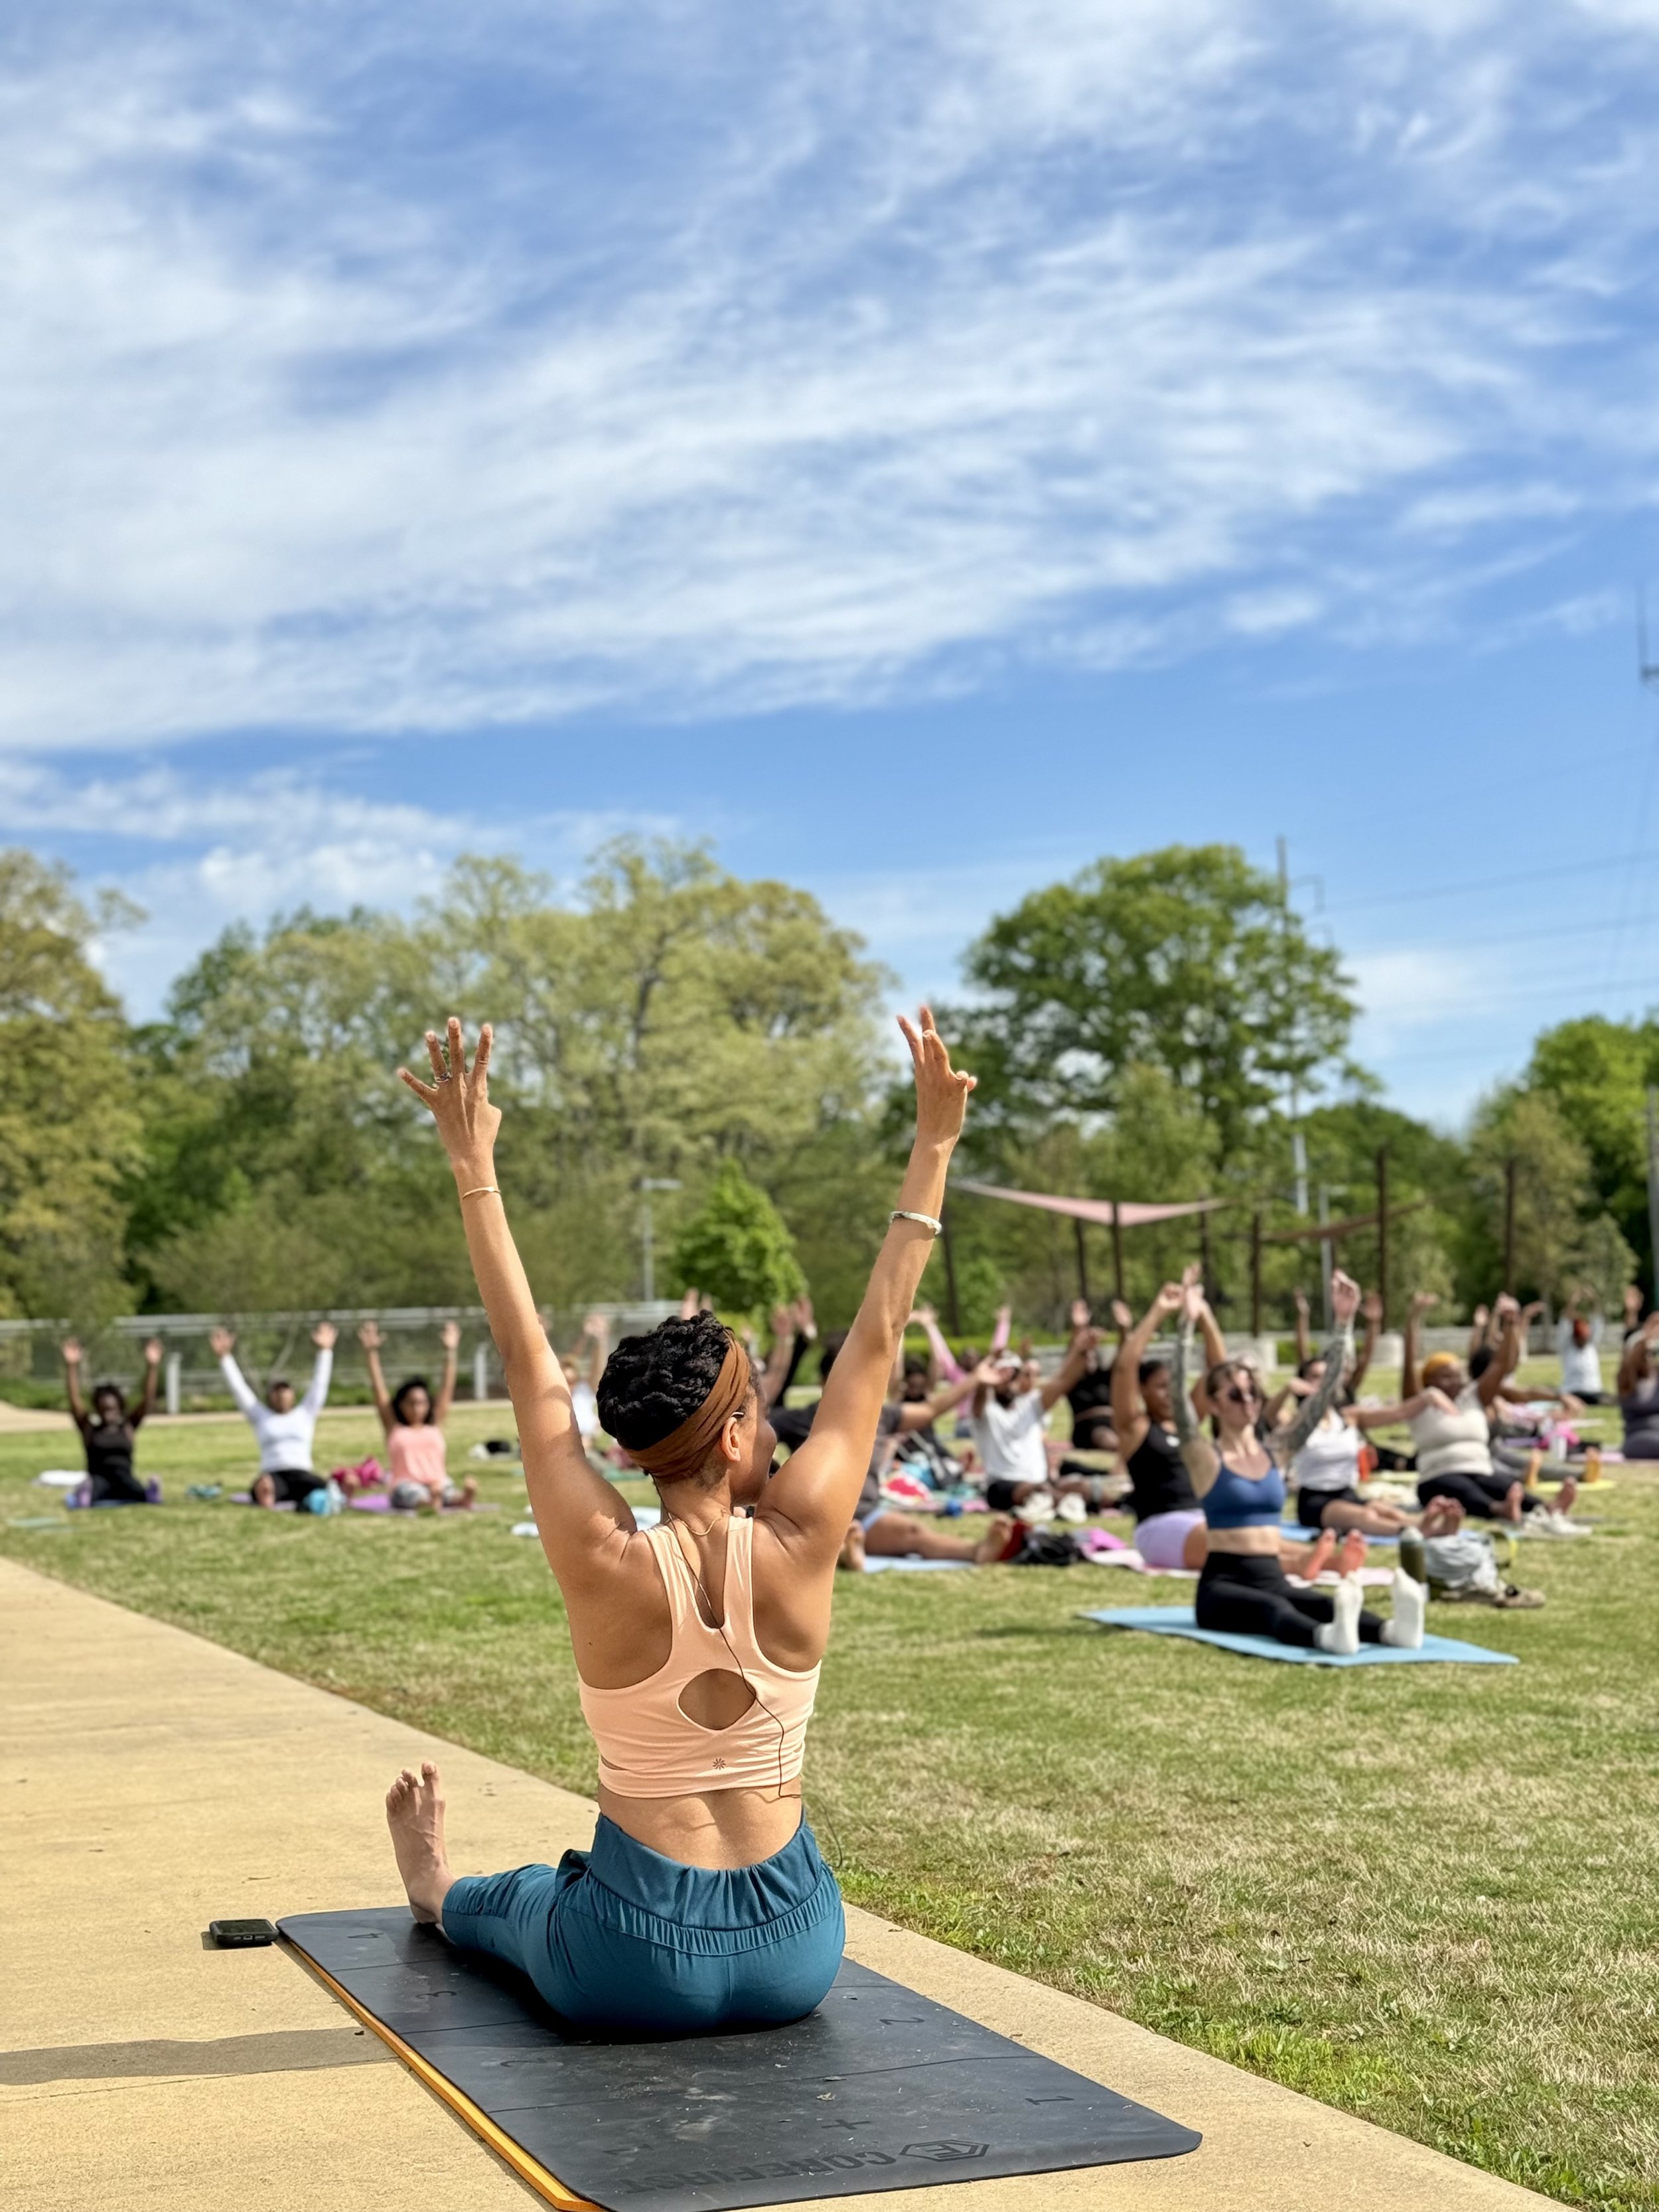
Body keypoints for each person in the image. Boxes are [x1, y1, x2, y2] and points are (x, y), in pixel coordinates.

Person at [381, 1007, 979, 2033]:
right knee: (553, 1891)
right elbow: (875, 1341)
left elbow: (531, 1371)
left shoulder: (603, 1555)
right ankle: (463, 1896)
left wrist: (472, 1166)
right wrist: (933, 1144)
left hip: (628, 1962)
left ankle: (439, 1894)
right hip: (800, 1948)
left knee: (522, 1897)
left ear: (635, 1450)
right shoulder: (800, 1543)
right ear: (741, 1433)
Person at [1172, 1272, 1425, 1653]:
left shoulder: (1277, 1450)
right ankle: (1327, 1639)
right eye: (1236, 1395)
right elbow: (1178, 1399)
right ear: (1214, 1404)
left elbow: (1323, 1397)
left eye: (1252, 1392)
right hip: (1222, 1586)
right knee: (1273, 1609)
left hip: (1272, 1574)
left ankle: (1394, 1632)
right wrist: (1186, 1324)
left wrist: (1343, 1325)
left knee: (1319, 1602)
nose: (1249, 1400)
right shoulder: (1205, 1457)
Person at [772, 1327, 1011, 1569]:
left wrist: (976, 1378)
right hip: (814, 1522)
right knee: (828, 1536)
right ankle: (844, 1553)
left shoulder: (880, 1416)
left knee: (913, 1531)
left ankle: (976, 1551)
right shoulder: (799, 1420)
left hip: (863, 1518)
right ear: (823, 1381)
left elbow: (930, 1410)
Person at [1403, 1291, 1577, 1523]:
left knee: (1505, 1485)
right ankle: (1498, 1510)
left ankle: (1547, 1507)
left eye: (1457, 1376)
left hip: (1480, 1468)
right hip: (1438, 1476)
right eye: (1445, 1377)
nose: (1454, 1382)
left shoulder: (1472, 1397)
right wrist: (1414, 1319)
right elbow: (1408, 1365)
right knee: (1462, 1488)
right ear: (1428, 1381)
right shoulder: (1421, 1403)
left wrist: (1510, 1324)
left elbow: (1499, 1366)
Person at [1279, 1348, 1463, 1538]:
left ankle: (1428, 1526)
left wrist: (1427, 1397)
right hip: (1315, 1501)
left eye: (1327, 1376)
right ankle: (1416, 1532)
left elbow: (1398, 1413)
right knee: (1366, 1515)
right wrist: (1286, 1389)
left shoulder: (1349, 1417)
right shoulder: (1295, 1423)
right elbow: (1266, 1417)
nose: (1323, 1382)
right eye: (1315, 1377)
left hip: (1347, 1494)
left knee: (1389, 1512)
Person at [1109, 1280, 1218, 1570]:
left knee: (1260, 1539)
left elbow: (1218, 1373)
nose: (1170, 1394)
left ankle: (1327, 1561)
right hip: (1161, 1526)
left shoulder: (1188, 1421)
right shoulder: (1136, 1427)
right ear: (1142, 1390)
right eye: (1160, 1387)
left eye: (1174, 1386)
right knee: (1234, 1545)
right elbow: (1124, 1368)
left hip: (1203, 1519)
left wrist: (1204, 1316)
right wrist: (1158, 1311)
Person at [212, 1323, 338, 1507]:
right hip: (274, 1475)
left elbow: (320, 1385)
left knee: (330, 1489)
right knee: (264, 1486)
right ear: (269, 1395)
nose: (280, 1395)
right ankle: (269, 1500)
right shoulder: (260, 1415)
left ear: (293, 1394)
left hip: (302, 1474)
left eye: (285, 1390)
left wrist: (325, 1352)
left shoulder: (305, 1412)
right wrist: (225, 1358)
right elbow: (239, 1389)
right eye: (276, 1391)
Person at [360, 1318, 478, 1511]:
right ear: (401, 1405)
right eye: (411, 1403)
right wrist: (371, 1353)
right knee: (411, 1493)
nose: (417, 1409)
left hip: (437, 1482)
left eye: (422, 1403)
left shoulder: (435, 1424)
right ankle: (430, 1501)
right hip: (405, 1485)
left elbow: (447, 1387)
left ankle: (457, 1498)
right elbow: (378, 1387)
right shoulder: (393, 1427)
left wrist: (450, 1351)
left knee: (446, 1488)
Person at [61, 1336, 164, 1505]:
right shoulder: (90, 1428)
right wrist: (71, 1366)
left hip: (124, 1479)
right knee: (95, 1488)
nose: (110, 1413)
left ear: (120, 1407)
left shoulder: (128, 1426)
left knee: (137, 1491)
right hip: (99, 1479)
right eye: (105, 1409)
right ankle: (84, 1494)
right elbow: (74, 1401)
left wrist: (152, 1367)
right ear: (98, 1409)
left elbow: (148, 1400)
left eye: (113, 1409)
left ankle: (150, 1492)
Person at [1617, 1308, 1659, 1459]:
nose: (1650, 1357)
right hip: (1638, 1438)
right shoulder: (1627, 1379)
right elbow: (1632, 1359)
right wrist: (1647, 1336)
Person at [1556, 1294, 1607, 1404]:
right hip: (1572, 1392)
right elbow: (1565, 1322)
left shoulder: (1591, 1345)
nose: (1582, 1340)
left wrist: (1593, 1300)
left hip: (1593, 1391)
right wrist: (1572, 1302)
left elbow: (1597, 1320)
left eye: (1584, 1337)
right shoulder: (1567, 1347)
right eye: (1580, 1337)